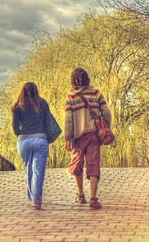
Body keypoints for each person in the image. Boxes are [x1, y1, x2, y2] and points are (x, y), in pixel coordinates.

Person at [64, 67, 112, 210]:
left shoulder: (71, 97)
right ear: (87, 78)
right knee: (93, 165)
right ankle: (93, 197)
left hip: (78, 137)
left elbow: (68, 120)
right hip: (93, 135)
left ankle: (80, 195)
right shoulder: (96, 93)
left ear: (73, 80)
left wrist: (68, 137)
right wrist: (105, 128)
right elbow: (107, 113)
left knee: (77, 165)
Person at [12, 82, 51, 210]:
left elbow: (15, 128)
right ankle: (36, 201)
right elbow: (48, 122)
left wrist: (22, 134)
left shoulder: (17, 106)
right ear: (36, 91)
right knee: (38, 171)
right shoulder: (43, 103)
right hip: (40, 140)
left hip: (24, 142)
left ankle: (32, 197)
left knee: (28, 169)